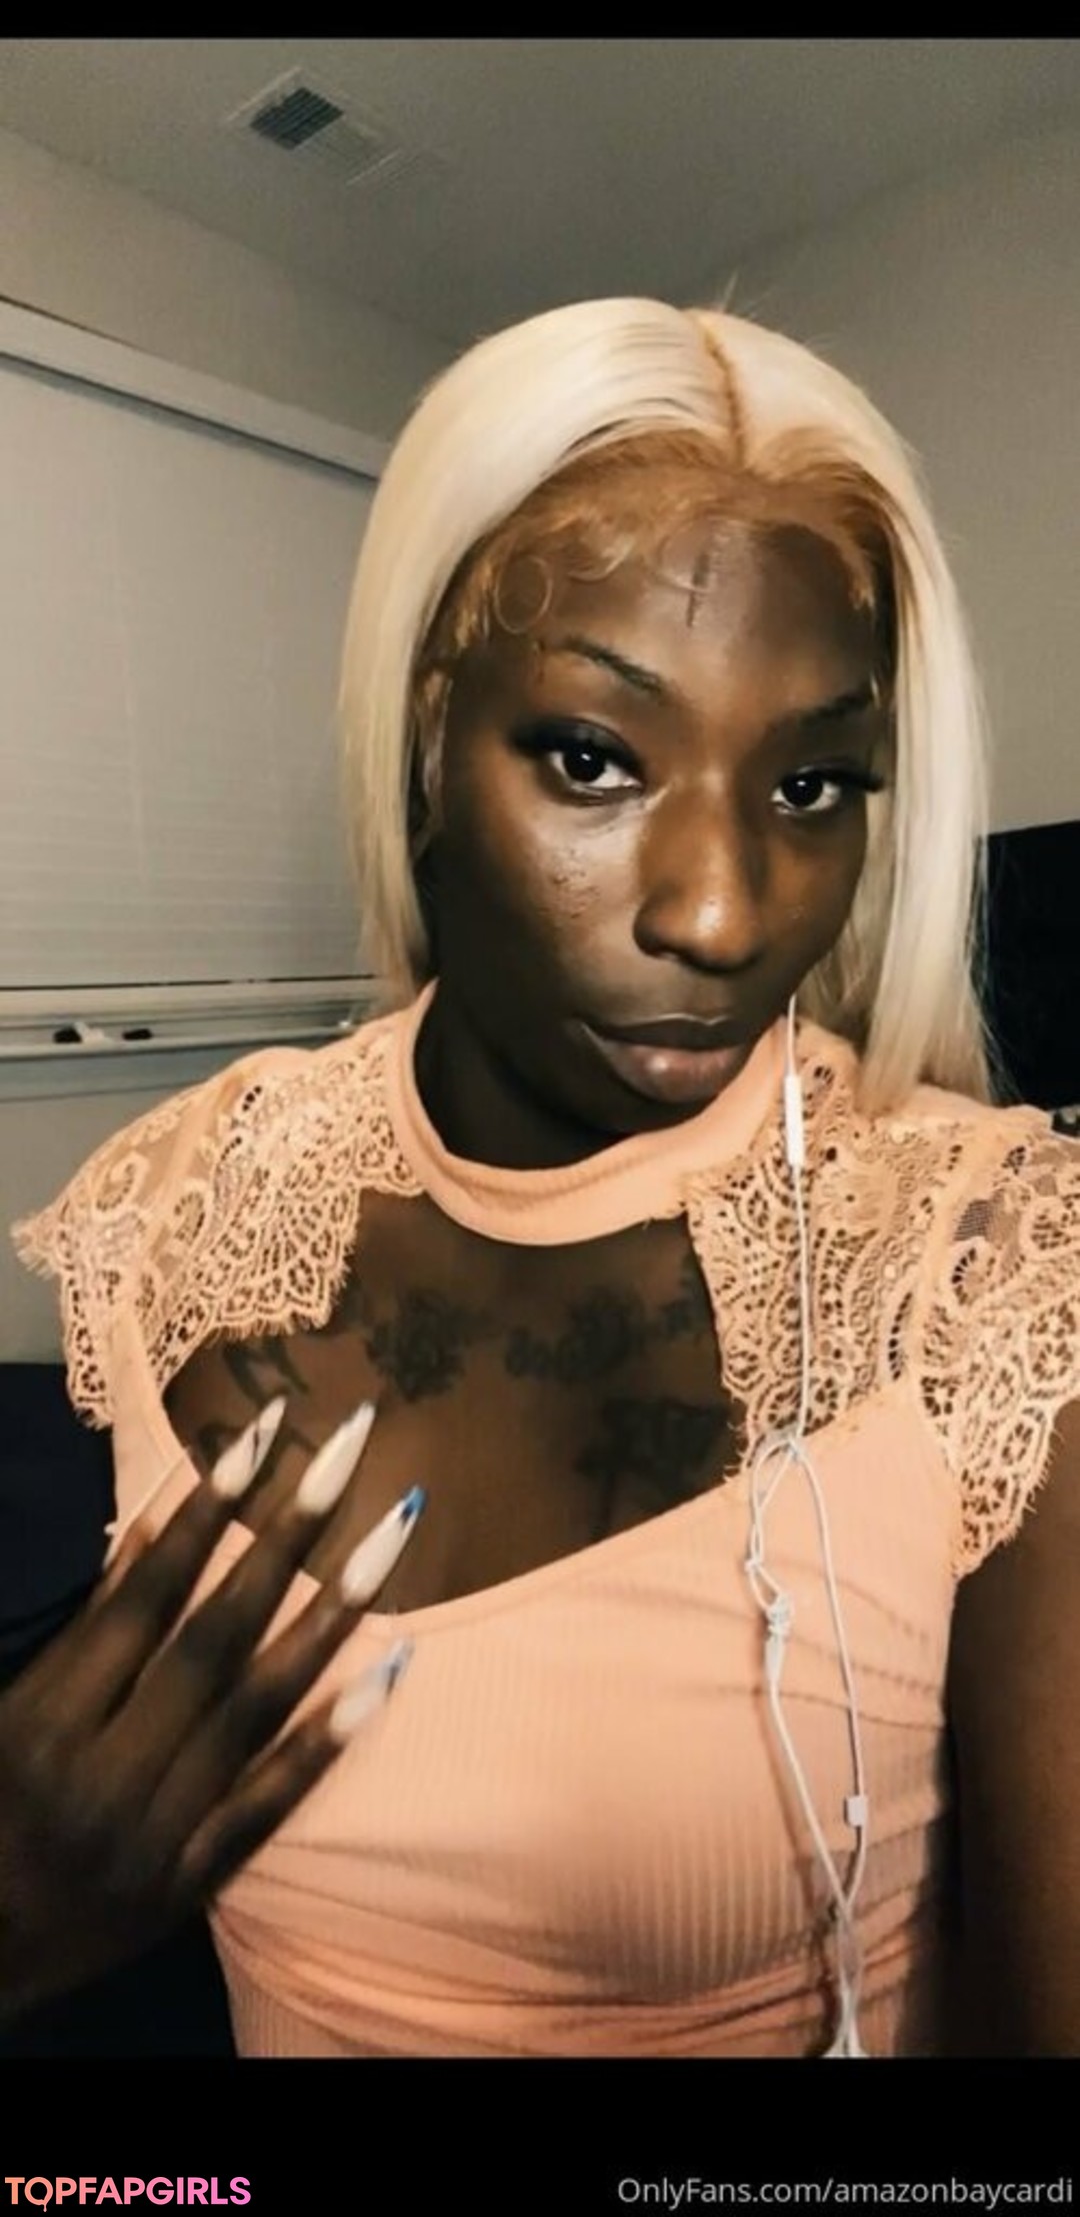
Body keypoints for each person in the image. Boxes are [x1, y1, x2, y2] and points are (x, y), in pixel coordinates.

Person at [7, 296, 1080, 2059]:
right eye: (594, 760)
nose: (721, 916)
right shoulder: (176, 1201)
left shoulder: (995, 1267)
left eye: (814, 783)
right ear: (431, 735)